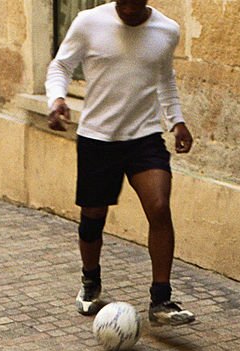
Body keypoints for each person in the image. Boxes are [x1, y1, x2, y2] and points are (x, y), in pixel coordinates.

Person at [46, 0, 196, 325]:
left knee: (159, 207)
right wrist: (57, 99)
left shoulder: (167, 30)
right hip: (98, 137)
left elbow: (165, 77)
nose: (128, 8)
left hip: (144, 136)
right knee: (93, 216)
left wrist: (176, 120)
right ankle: (90, 283)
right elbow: (60, 66)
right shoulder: (89, 21)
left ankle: (161, 300)